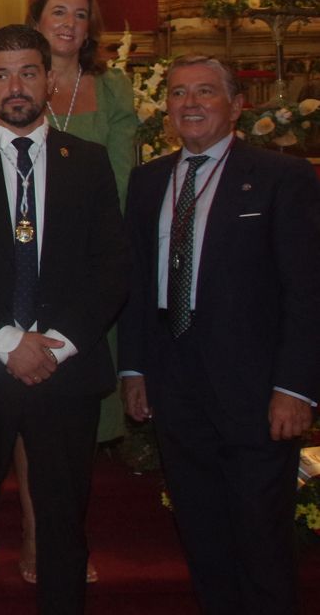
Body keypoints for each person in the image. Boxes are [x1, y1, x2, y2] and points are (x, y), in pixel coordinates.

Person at [0, 24, 128, 615]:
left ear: (50, 79)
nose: (16, 86)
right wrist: (9, 342)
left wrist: (54, 347)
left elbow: (112, 267)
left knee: (63, 515)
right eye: (3, 74)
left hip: (64, 374)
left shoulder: (85, 164)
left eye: (29, 72)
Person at [120, 56, 320, 615]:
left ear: (236, 106)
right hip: (175, 385)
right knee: (201, 530)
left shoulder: (284, 177)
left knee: (261, 535)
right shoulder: (148, 180)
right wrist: (134, 369)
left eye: (205, 91)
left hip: (257, 392)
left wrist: (296, 388)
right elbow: (136, 284)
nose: (189, 103)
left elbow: (307, 291)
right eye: (179, 93)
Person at [16, 0, 139, 583]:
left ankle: (69, 535)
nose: (69, 22)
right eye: (57, 11)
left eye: (81, 14)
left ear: (91, 28)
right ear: (36, 19)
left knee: (72, 419)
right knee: (27, 399)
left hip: (85, 273)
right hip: (20, 270)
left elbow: (121, 182)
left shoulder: (112, 89)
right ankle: (39, 539)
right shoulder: (19, 84)